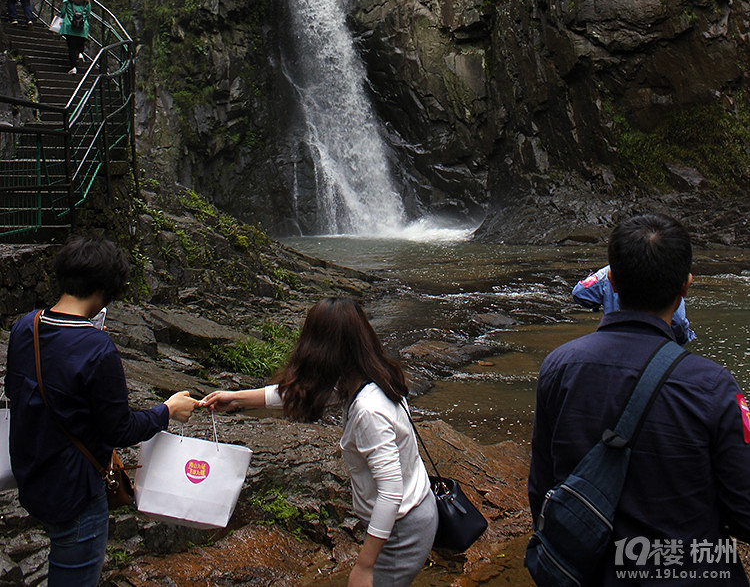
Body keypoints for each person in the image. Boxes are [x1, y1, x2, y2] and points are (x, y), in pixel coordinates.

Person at [529, 214, 750, 584]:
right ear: (686, 286)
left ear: (611, 281)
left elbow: (542, 488)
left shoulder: (559, 367)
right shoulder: (713, 385)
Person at [202, 296, 438, 587]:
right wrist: (236, 398)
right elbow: (303, 393)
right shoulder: (368, 378)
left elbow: (391, 492)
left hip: (403, 530)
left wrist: (364, 566)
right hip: (409, 516)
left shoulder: (369, 411)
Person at [4, 236, 197, 587]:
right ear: (104, 290)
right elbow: (119, 429)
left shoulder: (24, 327)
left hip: (34, 478)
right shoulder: (97, 348)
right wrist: (167, 410)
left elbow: (18, 392)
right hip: (75, 490)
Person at [572, 261, 696, 343]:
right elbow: (679, 323)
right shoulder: (667, 273)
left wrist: (598, 303)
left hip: (613, 340)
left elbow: (580, 293)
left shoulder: (612, 271)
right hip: (655, 345)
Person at [59, 0, 91, 73]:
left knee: (72, 48)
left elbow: (63, 12)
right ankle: (80, 54)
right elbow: (88, 14)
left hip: (70, 27)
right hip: (82, 27)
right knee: (79, 44)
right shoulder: (86, 2)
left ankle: (73, 67)